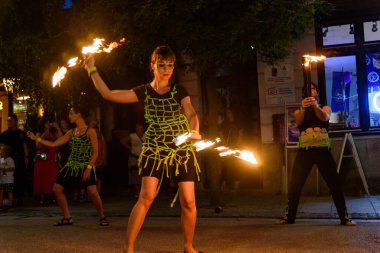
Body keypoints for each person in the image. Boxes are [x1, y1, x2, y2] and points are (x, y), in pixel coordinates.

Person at [85, 45, 202, 253]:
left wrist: (193, 132)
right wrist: (92, 69)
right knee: (146, 197)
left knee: (189, 200)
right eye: (162, 65)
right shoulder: (144, 92)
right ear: (153, 66)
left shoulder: (179, 91)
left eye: (170, 65)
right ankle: (128, 249)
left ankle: (188, 247)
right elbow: (108, 94)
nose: (167, 69)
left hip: (181, 149)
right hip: (154, 148)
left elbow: (191, 113)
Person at [276, 82, 356, 226]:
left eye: (313, 89)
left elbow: (324, 117)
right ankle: (289, 217)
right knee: (295, 184)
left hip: (322, 151)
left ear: (317, 93)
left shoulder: (325, 107)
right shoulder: (299, 111)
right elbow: (298, 120)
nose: (310, 91)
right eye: (308, 89)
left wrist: (315, 106)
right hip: (305, 151)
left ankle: (344, 218)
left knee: (334, 184)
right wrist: (303, 107)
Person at [27, 105, 109, 226]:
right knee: (57, 188)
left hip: (86, 165)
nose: (69, 116)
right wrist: (37, 138)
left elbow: (95, 153)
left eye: (71, 113)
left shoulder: (90, 131)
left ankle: (102, 216)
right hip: (71, 165)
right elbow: (54, 144)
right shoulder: (71, 132)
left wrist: (89, 168)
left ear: (78, 115)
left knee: (92, 192)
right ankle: (67, 217)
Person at [0, 114, 28, 206]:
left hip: (19, 158)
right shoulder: (4, 134)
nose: (8, 123)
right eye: (8, 121)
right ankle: (9, 198)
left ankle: (19, 197)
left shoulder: (21, 133)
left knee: (19, 177)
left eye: (10, 121)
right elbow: (2, 147)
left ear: (15, 122)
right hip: (8, 159)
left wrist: (26, 157)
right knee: (7, 177)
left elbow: (24, 145)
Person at [33, 120, 61, 204]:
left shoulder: (54, 132)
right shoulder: (39, 133)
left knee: (52, 174)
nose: (49, 124)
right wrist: (46, 132)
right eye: (47, 122)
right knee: (41, 175)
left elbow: (61, 140)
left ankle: (52, 195)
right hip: (41, 155)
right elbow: (38, 145)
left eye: (50, 122)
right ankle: (42, 196)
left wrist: (57, 128)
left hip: (51, 156)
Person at [219, 108, 243, 193]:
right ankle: (223, 184)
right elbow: (221, 133)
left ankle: (236, 184)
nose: (228, 114)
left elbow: (240, 134)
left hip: (236, 147)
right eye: (227, 113)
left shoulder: (237, 123)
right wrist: (225, 144)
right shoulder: (224, 124)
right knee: (225, 165)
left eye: (230, 112)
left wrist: (237, 145)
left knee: (236, 165)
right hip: (227, 147)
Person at [122, 122, 145, 199]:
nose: (139, 130)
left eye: (141, 128)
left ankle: (142, 191)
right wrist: (129, 148)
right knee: (134, 174)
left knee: (142, 174)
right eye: (138, 128)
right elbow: (122, 141)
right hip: (134, 156)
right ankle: (137, 191)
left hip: (143, 157)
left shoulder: (145, 136)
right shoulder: (132, 136)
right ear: (136, 129)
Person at [0, 145, 15, 209]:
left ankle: (10, 204)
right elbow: (2, 167)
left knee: (9, 192)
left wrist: (5, 170)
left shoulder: (10, 159)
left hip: (9, 179)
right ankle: (0, 205)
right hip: (2, 179)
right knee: (1, 192)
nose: (0, 152)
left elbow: (13, 168)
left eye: (1, 150)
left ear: (6, 152)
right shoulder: (2, 159)